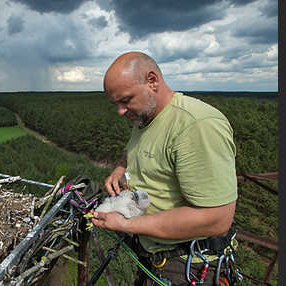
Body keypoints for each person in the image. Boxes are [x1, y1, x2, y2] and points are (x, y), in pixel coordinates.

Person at [91, 51, 238, 285]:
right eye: (115, 103)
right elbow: (135, 149)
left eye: (126, 100)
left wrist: (127, 225)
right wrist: (120, 168)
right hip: (156, 256)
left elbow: (217, 219)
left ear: (152, 81)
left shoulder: (196, 125)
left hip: (188, 265)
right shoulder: (145, 118)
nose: (120, 111)